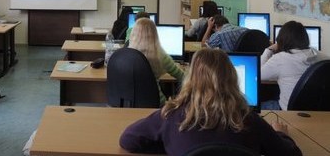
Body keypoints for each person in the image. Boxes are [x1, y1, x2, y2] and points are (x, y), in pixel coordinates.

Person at [119, 49, 302, 155]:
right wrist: (282, 134)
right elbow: (292, 155)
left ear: (191, 79)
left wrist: (168, 144)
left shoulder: (171, 116)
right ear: (231, 78)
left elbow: (127, 140)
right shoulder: (250, 121)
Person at [261, 20, 321, 110]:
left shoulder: (281, 58)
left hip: (287, 110)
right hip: (315, 111)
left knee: (253, 107)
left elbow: (258, 74)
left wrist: (268, 50)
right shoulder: (317, 55)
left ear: (281, 39)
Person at [128, 17, 184, 105]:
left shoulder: (127, 55)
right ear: (154, 34)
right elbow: (182, 76)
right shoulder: (161, 56)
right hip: (155, 102)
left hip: (129, 103)